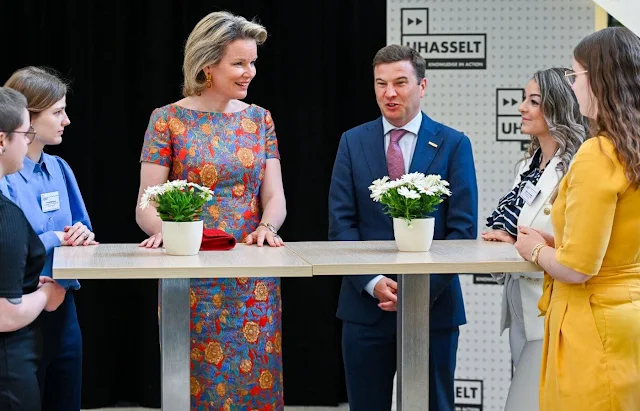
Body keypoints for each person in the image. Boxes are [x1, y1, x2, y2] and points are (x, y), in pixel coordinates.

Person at [135, 11, 287, 410]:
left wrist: (267, 227)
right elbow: (146, 202)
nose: (249, 72)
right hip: (190, 273)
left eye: (252, 62)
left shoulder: (260, 119)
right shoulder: (167, 119)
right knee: (192, 384)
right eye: (239, 63)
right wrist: (167, 232)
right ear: (207, 65)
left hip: (252, 275)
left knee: (256, 381)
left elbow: (275, 198)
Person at [328, 44, 478, 411]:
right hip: (366, 307)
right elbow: (341, 223)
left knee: (434, 405)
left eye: (399, 83)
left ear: (422, 86)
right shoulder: (352, 141)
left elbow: (462, 230)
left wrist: (418, 289)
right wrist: (374, 281)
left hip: (434, 308)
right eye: (381, 84)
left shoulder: (454, 143)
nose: (389, 93)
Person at [515, 27, 640, 411]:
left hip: (591, 326)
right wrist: (559, 243)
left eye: (576, 76)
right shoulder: (628, 148)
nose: (572, 87)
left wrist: (535, 249)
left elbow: (578, 268)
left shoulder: (597, 154)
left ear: (598, 79)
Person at [482, 67, 586, 410]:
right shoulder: (527, 165)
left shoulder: (577, 168)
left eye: (533, 101)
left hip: (555, 311)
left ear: (557, 107)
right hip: (519, 306)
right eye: (524, 99)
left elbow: (576, 242)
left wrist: (525, 241)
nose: (521, 107)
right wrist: (505, 237)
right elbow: (516, 230)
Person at [2, 67, 96, 411]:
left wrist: (82, 235)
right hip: (17, 307)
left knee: (66, 398)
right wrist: (56, 237)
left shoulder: (60, 169)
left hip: (62, 303)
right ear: (27, 115)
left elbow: (82, 230)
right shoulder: (5, 176)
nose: (67, 120)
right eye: (57, 112)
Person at [0, 87, 66, 410]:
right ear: (2, 140)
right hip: (10, 367)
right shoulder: (5, 215)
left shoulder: (60, 169)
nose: (28, 141)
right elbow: (4, 314)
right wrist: (44, 296)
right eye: (24, 133)